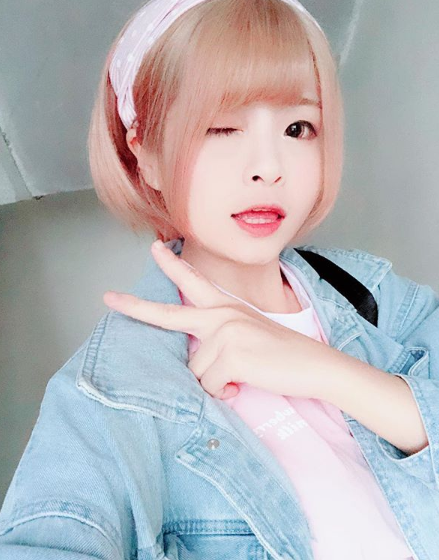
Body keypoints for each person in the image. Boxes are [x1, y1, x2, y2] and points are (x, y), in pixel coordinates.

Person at [0, 0, 438, 558]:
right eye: (221, 127)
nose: (268, 167)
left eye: (298, 127)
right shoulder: (109, 393)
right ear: (145, 153)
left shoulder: (376, 296)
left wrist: (329, 371)